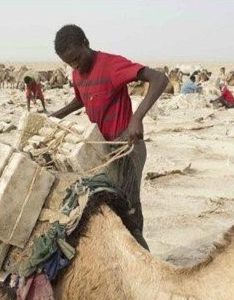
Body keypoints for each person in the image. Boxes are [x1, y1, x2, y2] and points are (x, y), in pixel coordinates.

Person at [50, 24, 168, 250]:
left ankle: (145, 260)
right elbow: (81, 99)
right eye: (69, 63)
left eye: (76, 59)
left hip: (127, 146)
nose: (75, 65)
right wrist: (55, 116)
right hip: (105, 150)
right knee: (109, 206)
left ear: (86, 43)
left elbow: (159, 79)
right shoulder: (77, 73)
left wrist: (137, 118)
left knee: (129, 209)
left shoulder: (111, 65)